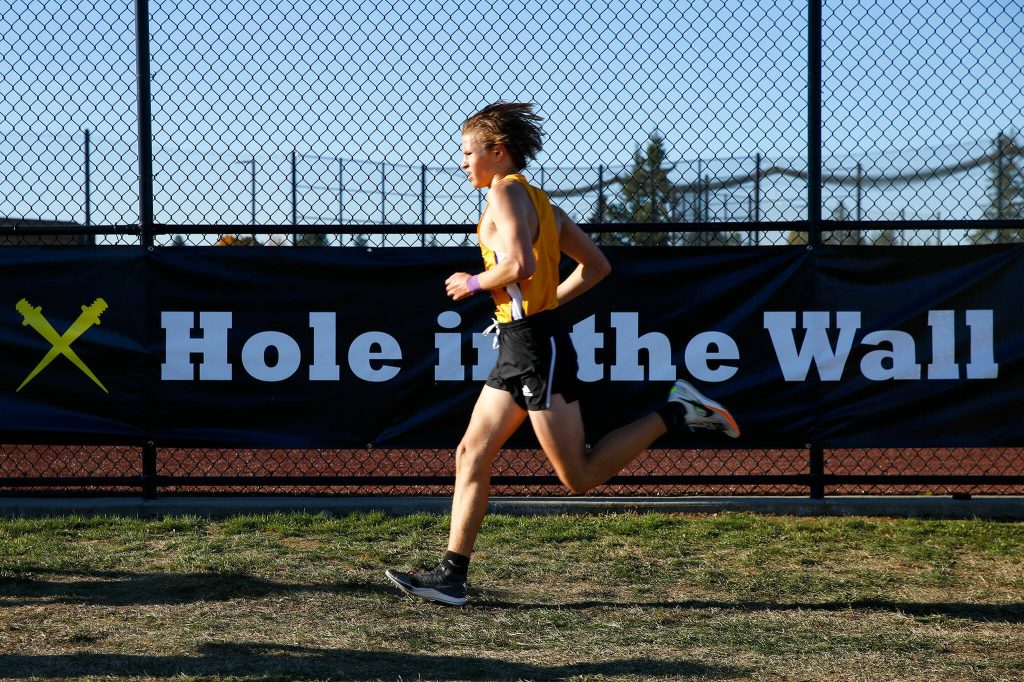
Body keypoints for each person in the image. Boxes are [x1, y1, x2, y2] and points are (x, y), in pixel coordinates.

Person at [386, 102, 739, 606]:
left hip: (532, 346)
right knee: (471, 451)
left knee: (579, 474)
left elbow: (520, 263)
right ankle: (451, 576)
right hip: (521, 340)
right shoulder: (540, 200)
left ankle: (677, 410)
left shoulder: (506, 192)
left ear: (497, 151)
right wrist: (539, 307)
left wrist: (473, 282)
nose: (462, 162)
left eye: (468, 152)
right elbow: (595, 267)